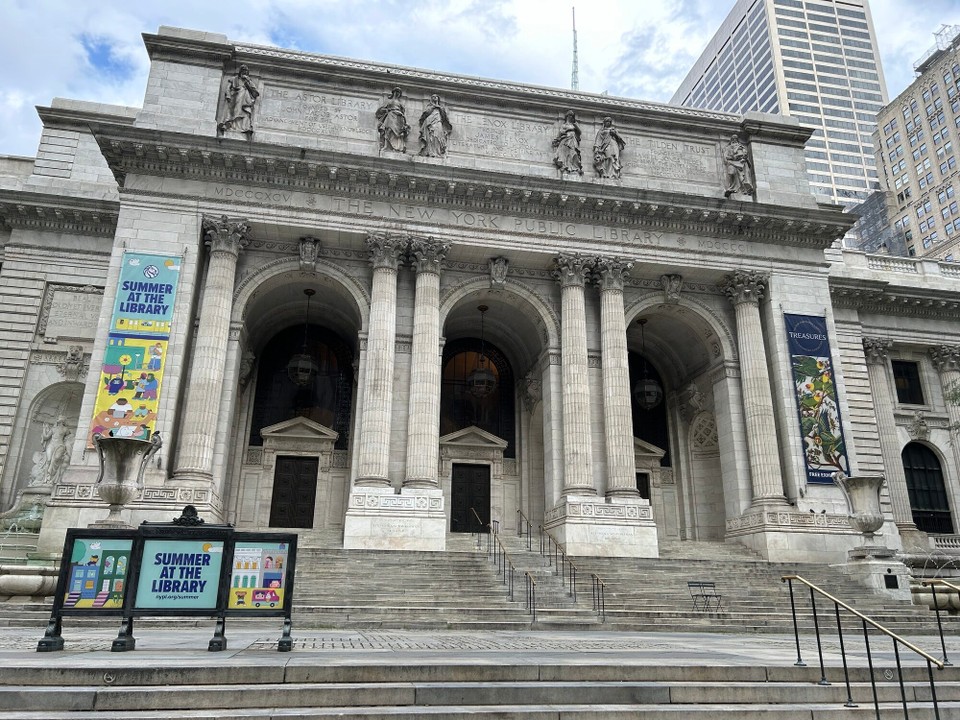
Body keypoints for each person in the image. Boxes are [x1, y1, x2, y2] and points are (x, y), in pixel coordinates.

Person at [218, 65, 259, 134]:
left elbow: (255, 93)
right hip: (234, 97)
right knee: (242, 92)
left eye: (246, 71)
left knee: (244, 92)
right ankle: (230, 123)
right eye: (243, 70)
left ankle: (245, 126)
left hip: (245, 100)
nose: (244, 72)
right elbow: (228, 88)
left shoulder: (249, 81)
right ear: (240, 71)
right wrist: (228, 95)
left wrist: (247, 83)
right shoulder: (234, 79)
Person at [376, 87, 409, 153]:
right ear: (393, 93)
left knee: (399, 133)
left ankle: (397, 147)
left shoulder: (400, 103)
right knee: (388, 130)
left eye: (399, 93)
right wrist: (387, 110)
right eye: (396, 92)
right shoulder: (389, 101)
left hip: (399, 118)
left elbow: (403, 111)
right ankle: (386, 146)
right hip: (391, 116)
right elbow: (381, 110)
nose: (397, 94)